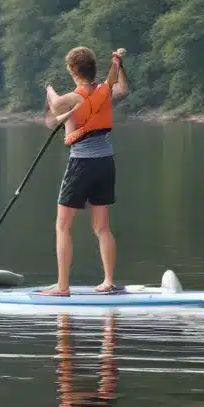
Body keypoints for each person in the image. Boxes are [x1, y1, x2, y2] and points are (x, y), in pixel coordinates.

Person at [39, 47, 128, 296]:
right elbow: (122, 88)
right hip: (105, 162)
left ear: (72, 70)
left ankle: (62, 286)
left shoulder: (72, 97)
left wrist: (48, 89)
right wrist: (118, 63)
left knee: (63, 226)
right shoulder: (104, 92)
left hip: (81, 164)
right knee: (102, 227)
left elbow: (55, 107)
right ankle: (108, 281)